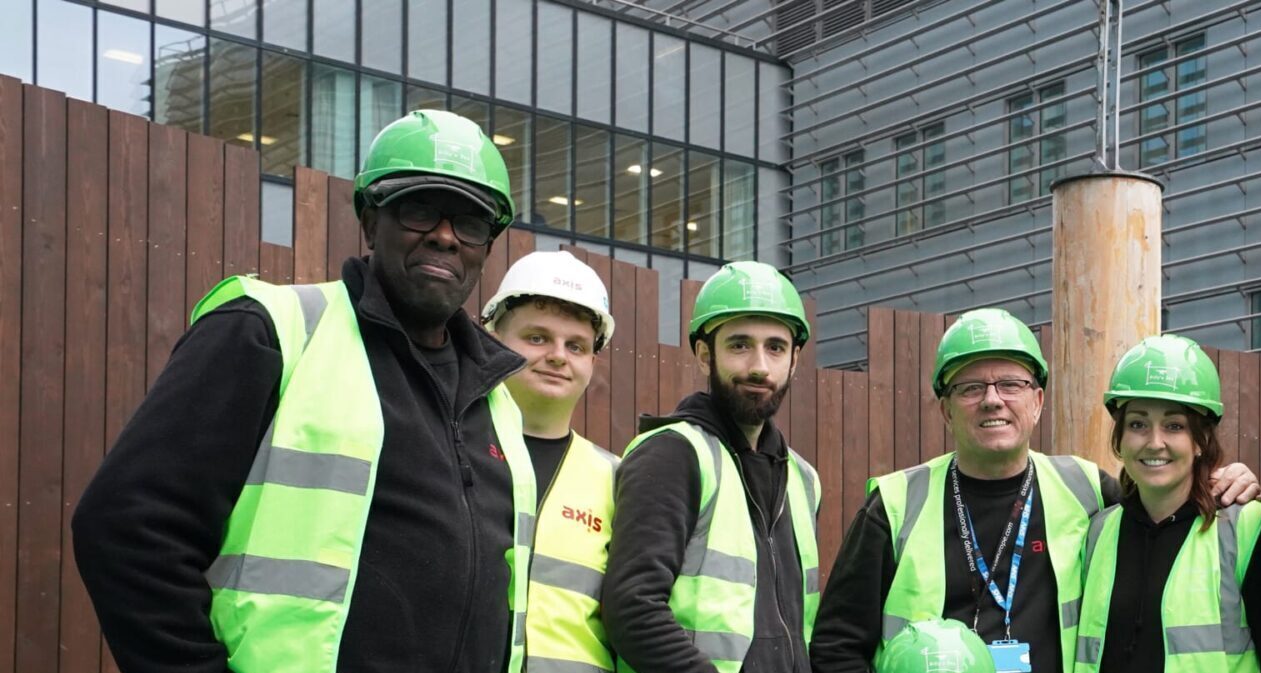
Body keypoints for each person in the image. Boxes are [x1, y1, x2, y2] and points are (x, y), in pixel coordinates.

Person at [72, 109, 537, 673]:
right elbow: (126, 528)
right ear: (370, 220)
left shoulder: (496, 401)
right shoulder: (270, 330)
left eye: (469, 223)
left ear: (486, 246)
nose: (445, 235)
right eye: (419, 209)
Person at [811, 308, 1261, 673]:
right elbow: (836, 647)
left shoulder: (1087, 490)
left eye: (1011, 384)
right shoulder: (894, 506)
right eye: (971, 387)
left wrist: (1222, 479)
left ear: (1038, 402)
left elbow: (1164, 513)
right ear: (946, 410)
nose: (993, 399)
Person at [603, 261, 822, 673]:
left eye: (775, 347)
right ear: (705, 355)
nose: (759, 365)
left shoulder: (804, 479)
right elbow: (633, 609)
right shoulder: (672, 453)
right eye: (739, 345)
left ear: (794, 359)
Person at [1073, 335, 1261, 673]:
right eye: (1138, 424)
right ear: (1120, 438)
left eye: (1174, 426)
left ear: (1201, 440)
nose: (1154, 442)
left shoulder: (1247, 530)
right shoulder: (1098, 532)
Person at [483, 250, 624, 673]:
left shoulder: (618, 479)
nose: (559, 356)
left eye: (576, 345)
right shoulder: (444, 448)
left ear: (592, 362)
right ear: (493, 340)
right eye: (538, 338)